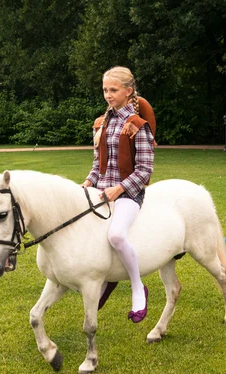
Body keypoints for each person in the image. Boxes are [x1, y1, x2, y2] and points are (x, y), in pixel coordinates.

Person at [82, 66, 155, 323]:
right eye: (105, 90)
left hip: (128, 194)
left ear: (128, 91)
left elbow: (145, 170)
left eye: (113, 90)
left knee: (115, 234)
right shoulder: (101, 123)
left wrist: (120, 188)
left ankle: (138, 287)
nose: (108, 95)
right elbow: (97, 164)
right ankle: (108, 278)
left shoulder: (136, 125)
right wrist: (89, 182)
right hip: (101, 191)